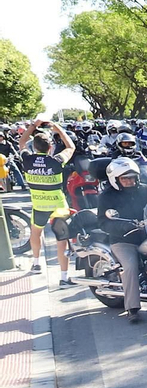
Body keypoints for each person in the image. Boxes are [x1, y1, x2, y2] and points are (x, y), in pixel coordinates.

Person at [97, 157, 147, 318]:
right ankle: (132, 308)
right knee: (131, 266)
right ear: (115, 179)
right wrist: (123, 227)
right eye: (125, 178)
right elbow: (103, 222)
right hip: (123, 240)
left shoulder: (145, 190)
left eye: (132, 177)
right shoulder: (107, 196)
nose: (129, 181)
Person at [18, 120, 76, 282]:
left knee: (36, 233)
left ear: (34, 147)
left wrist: (33, 126)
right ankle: (64, 278)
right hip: (58, 205)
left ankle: (36, 263)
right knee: (61, 240)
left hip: (39, 205)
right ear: (50, 147)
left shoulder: (27, 160)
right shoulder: (56, 161)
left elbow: (22, 142)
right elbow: (71, 147)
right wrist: (57, 127)